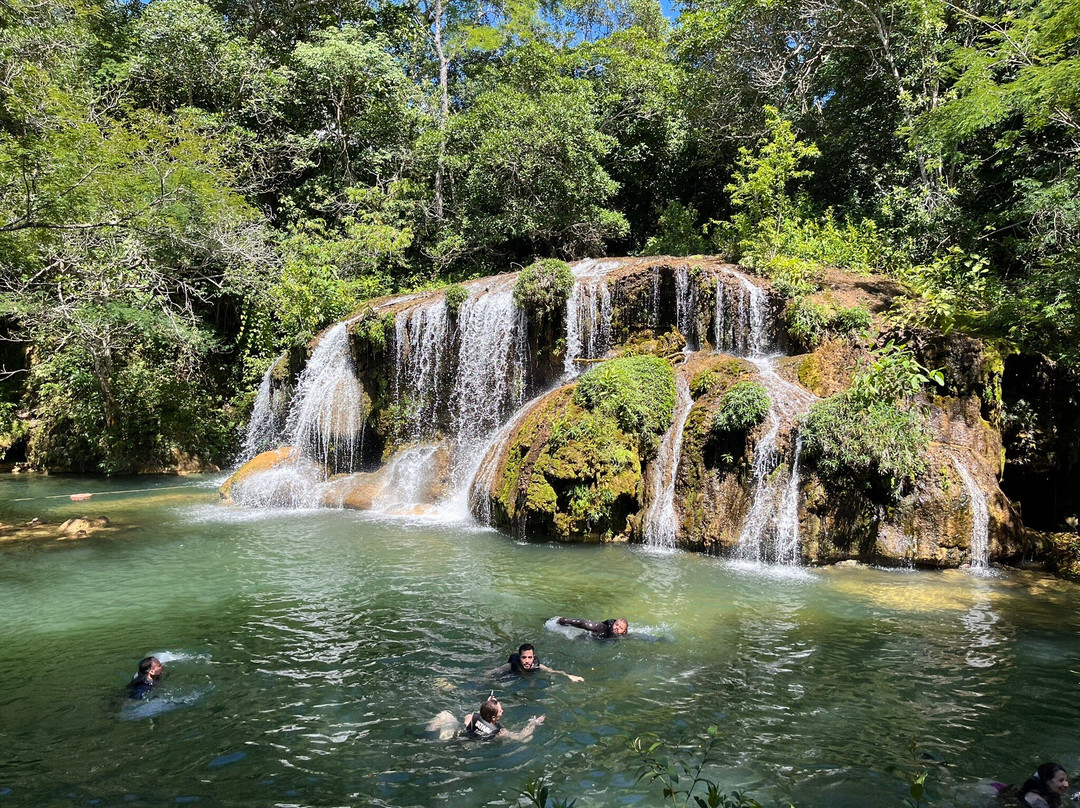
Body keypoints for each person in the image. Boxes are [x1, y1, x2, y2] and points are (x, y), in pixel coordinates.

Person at [427, 695, 545, 742]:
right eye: (500, 710)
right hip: (466, 749)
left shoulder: (472, 718)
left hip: (452, 737)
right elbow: (520, 736)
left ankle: (427, 734)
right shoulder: (498, 731)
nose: (502, 710)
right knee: (528, 739)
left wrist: (487, 705)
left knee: (445, 714)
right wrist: (533, 723)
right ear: (494, 717)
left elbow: (475, 716)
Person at [488, 643, 584, 682]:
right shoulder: (511, 665)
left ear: (533, 657)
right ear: (519, 657)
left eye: (530, 657)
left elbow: (552, 671)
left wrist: (569, 675)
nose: (527, 660)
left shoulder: (537, 666)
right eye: (524, 657)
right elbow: (493, 671)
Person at [557, 616, 628, 639]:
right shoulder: (603, 628)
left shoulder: (623, 636)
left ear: (624, 631)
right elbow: (584, 623)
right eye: (616, 625)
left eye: (621, 628)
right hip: (589, 636)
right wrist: (564, 621)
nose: (617, 628)